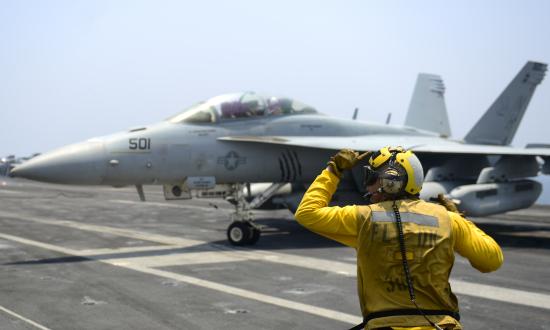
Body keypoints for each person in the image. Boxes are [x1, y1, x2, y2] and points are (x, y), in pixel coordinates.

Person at [294, 147, 503, 330]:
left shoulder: (364, 218)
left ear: (390, 181)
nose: (368, 187)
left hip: (384, 325)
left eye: (372, 179)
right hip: (441, 324)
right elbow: (491, 261)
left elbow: (307, 213)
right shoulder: (448, 220)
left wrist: (333, 170)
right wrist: (460, 220)